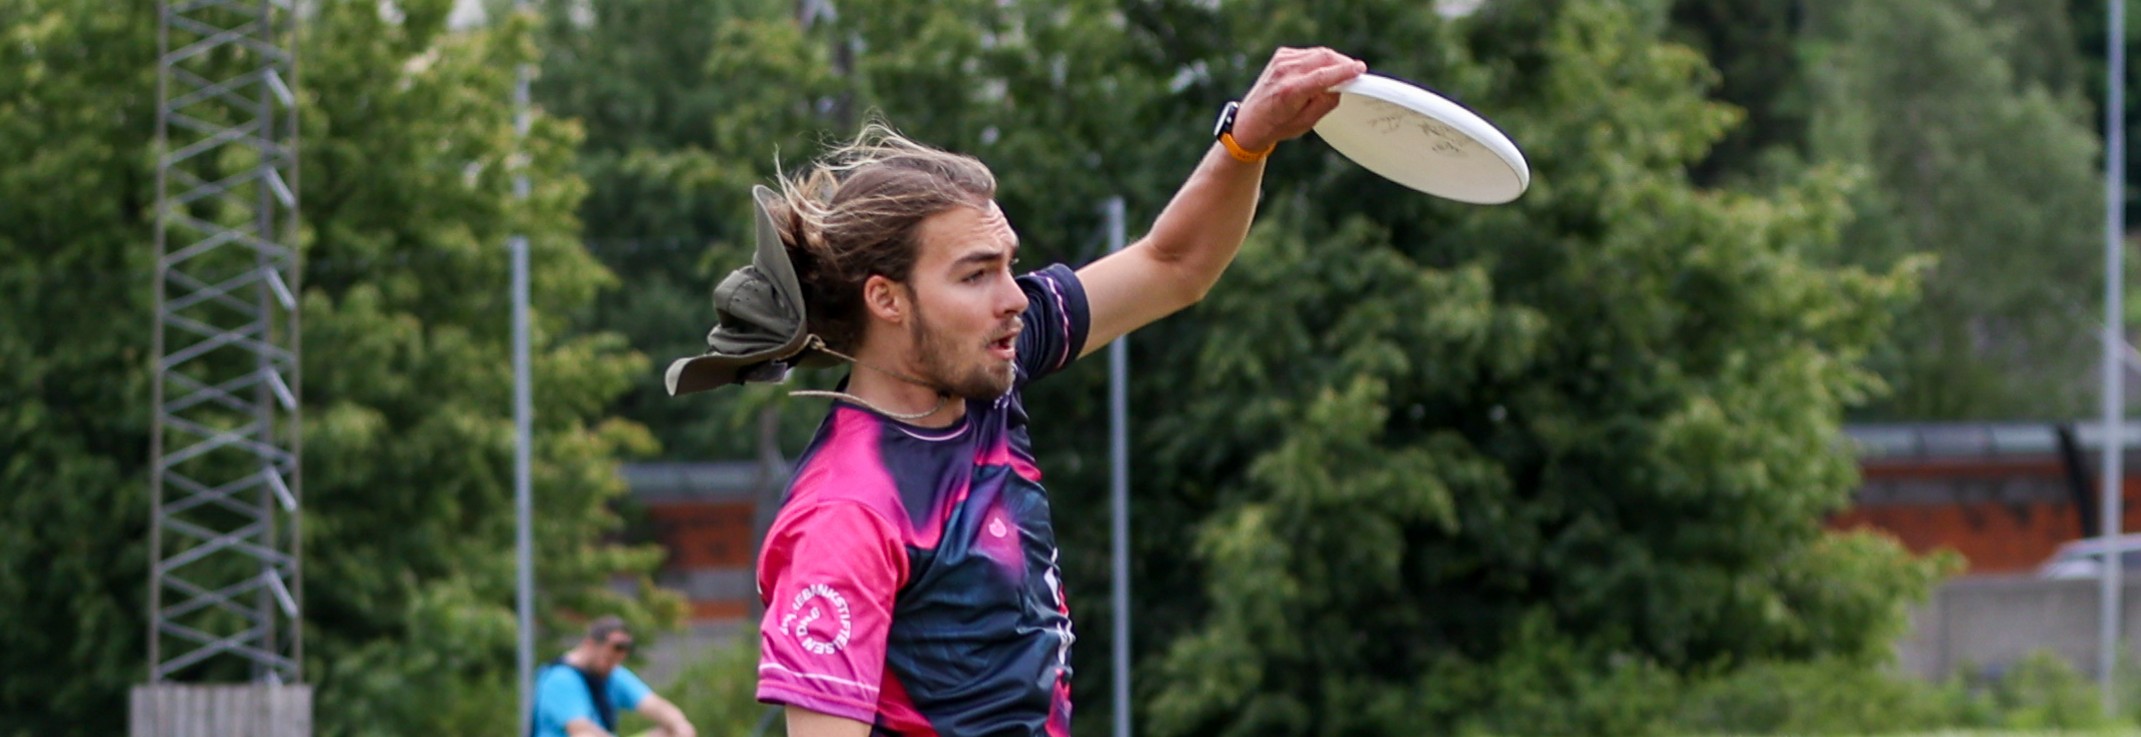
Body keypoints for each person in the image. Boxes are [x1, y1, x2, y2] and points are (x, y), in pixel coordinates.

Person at [664, 46, 1366, 737]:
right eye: (976, 274)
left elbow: (1174, 263)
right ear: (886, 298)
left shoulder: (983, 372)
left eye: (1010, 265)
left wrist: (1247, 140)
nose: (1014, 298)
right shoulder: (847, 512)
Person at [530, 616, 697, 737]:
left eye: (617, 662)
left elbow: (653, 704)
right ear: (589, 645)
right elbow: (580, 729)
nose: (612, 666)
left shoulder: (611, 673)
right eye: (608, 660)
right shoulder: (560, 678)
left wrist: (679, 724)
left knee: (669, 732)